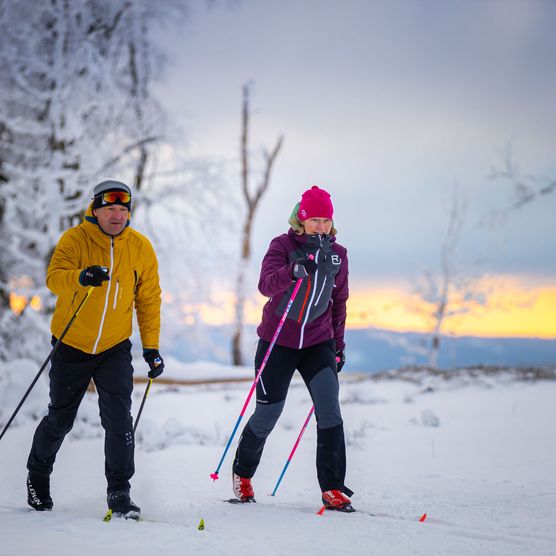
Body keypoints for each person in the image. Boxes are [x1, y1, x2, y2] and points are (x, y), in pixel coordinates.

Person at [26, 180, 164, 519]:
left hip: (114, 346)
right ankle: (37, 475)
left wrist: (151, 348)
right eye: (110, 208)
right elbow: (54, 277)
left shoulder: (140, 247)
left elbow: (148, 301)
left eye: (123, 209)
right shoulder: (75, 239)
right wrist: (81, 277)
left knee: (119, 420)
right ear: (96, 209)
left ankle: (120, 493)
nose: (117, 215)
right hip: (72, 341)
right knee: (61, 418)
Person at [232, 185, 354, 511]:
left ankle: (332, 488)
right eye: (315, 219)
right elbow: (265, 285)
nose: (321, 226)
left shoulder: (338, 255)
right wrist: (293, 270)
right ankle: (243, 474)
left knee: (330, 410)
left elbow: (338, 302)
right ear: (301, 219)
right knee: (268, 413)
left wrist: (338, 346)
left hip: (319, 342)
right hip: (278, 341)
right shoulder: (283, 245)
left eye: (326, 220)